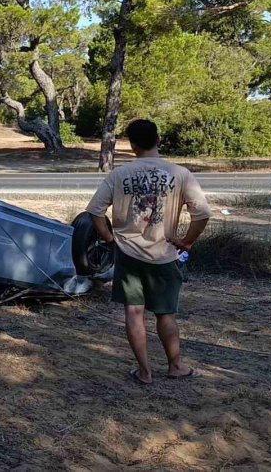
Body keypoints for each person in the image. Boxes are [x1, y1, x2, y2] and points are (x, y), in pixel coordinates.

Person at [86, 119, 211, 385]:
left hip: (128, 255)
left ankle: (144, 372)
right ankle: (175, 366)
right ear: (159, 140)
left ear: (131, 145)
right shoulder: (180, 173)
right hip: (164, 254)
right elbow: (202, 213)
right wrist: (187, 241)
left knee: (134, 312)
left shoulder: (119, 175)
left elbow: (94, 212)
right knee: (166, 314)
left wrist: (109, 238)